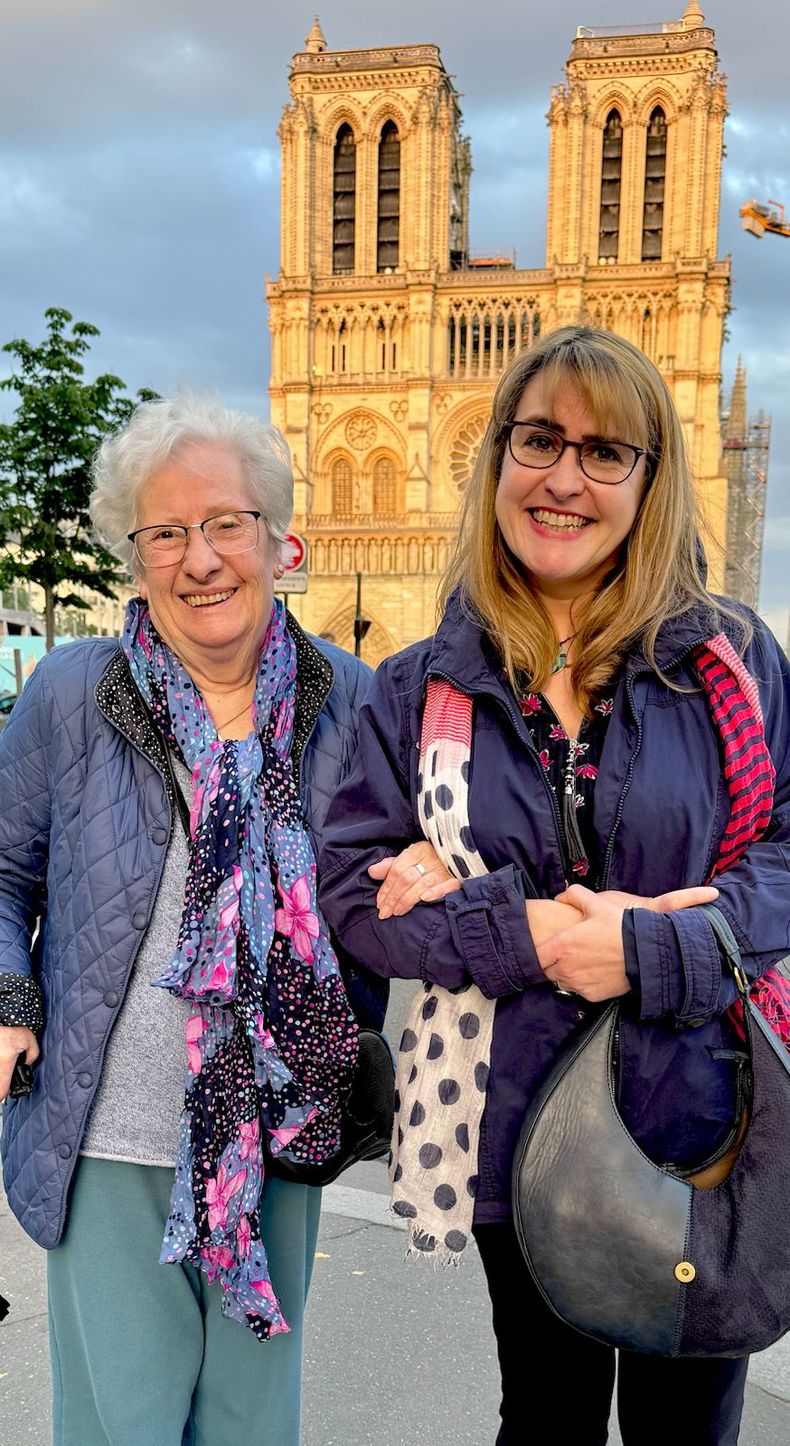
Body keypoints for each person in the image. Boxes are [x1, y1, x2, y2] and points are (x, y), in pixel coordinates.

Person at [318, 326, 790, 1446]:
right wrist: (522, 933)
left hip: (700, 1114)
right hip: (512, 1124)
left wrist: (655, 948)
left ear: (651, 479)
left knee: (689, 1426)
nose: (564, 478)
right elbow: (350, 890)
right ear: (496, 458)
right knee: (544, 1418)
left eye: (604, 451)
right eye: (538, 440)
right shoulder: (418, 684)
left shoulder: (731, 662)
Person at [0, 395, 383, 1446]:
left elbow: (389, 883)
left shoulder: (351, 699)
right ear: (135, 559)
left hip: (282, 1123)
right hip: (112, 1135)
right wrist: (8, 1001)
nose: (200, 558)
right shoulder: (73, 692)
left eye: (225, 523)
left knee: (253, 1424)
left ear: (276, 538)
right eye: (165, 533)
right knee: (120, 1424)